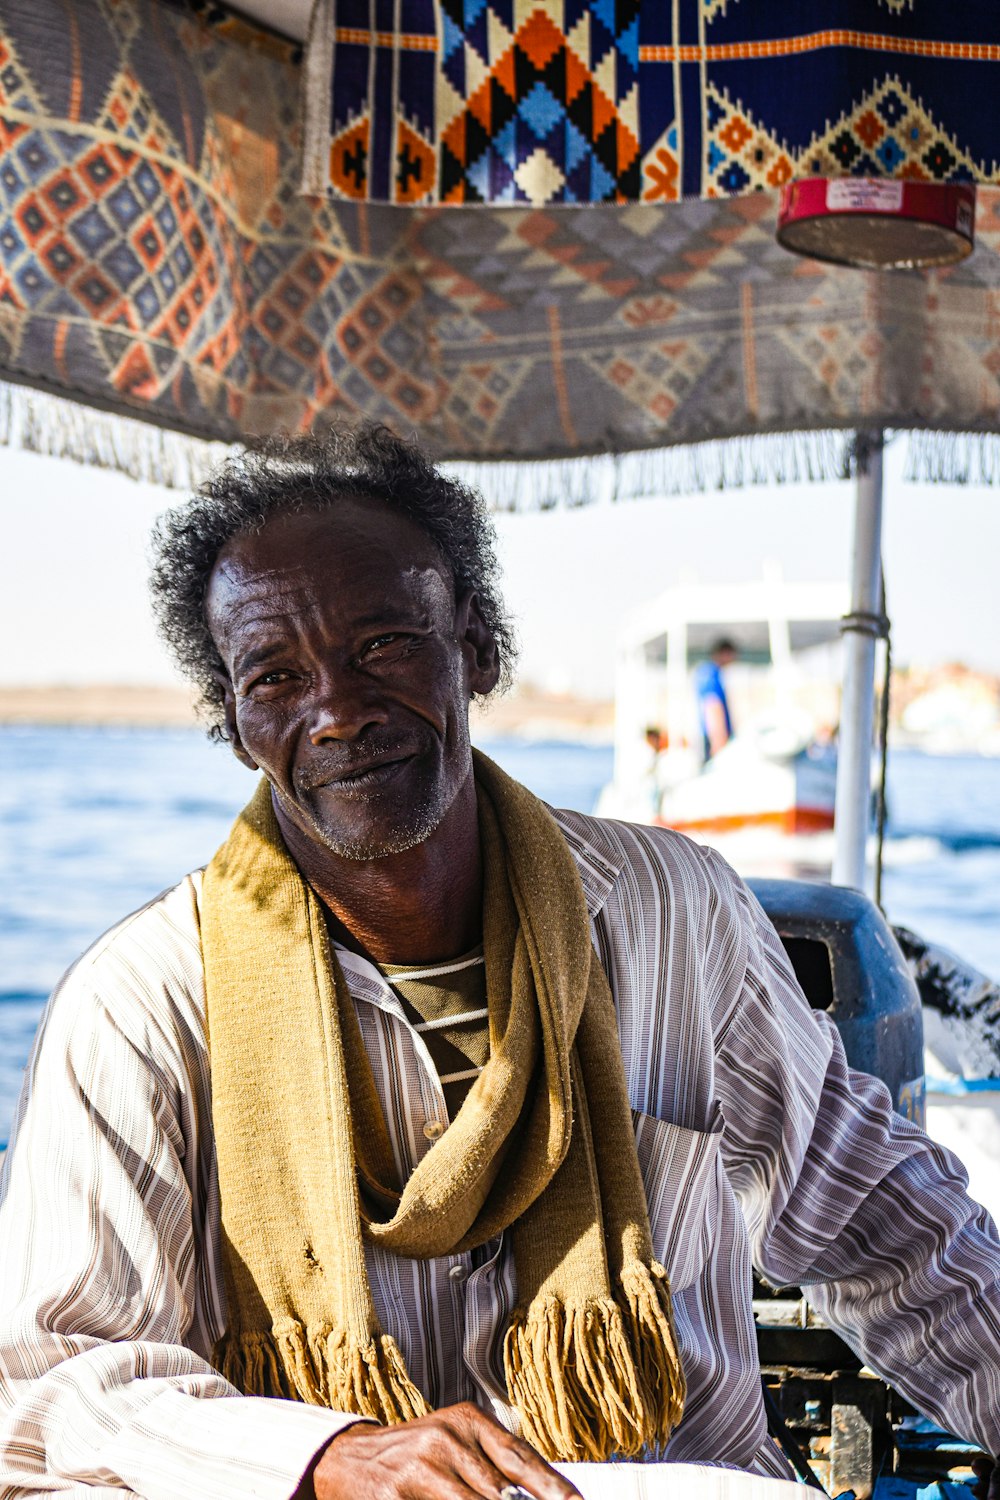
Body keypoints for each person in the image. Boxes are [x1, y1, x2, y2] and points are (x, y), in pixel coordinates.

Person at [1, 426, 999, 1500]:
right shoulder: (142, 1005)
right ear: (237, 721)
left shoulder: (677, 910)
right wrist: (324, 1456)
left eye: (383, 644)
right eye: (276, 675)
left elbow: (880, 1220)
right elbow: (56, 1385)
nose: (335, 710)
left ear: (473, 646)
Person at [694, 638, 737, 762]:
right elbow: (713, 705)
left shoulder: (705, 672)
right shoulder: (711, 674)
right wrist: (719, 740)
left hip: (710, 736)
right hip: (714, 737)